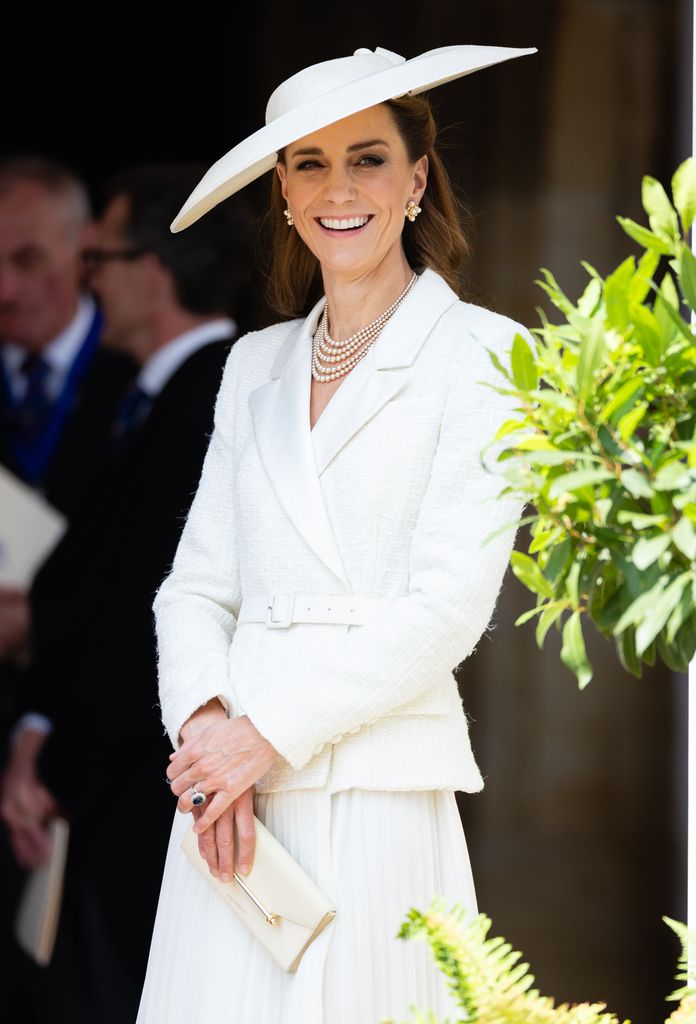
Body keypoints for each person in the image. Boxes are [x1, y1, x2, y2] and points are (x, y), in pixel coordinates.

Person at [137, 44, 537, 1024]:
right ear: (282, 188)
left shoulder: (488, 352)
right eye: (309, 163)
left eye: (366, 157)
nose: (338, 187)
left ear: (416, 178)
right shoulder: (252, 365)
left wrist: (261, 738)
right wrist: (205, 744)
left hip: (377, 788)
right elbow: (194, 590)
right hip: (234, 818)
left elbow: (446, 607)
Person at [0, 164, 254, 1024]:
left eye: (99, 258)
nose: (87, 277)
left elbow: (148, 623)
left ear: (151, 272)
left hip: (143, 819)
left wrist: (51, 773)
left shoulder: (213, 402)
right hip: (107, 809)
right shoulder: (158, 398)